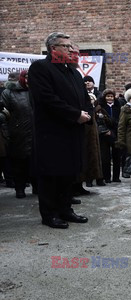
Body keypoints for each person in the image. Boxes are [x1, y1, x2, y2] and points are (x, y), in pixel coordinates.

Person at [28, 32, 91, 229]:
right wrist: (75, 114)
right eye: (66, 46)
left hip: (73, 131)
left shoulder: (73, 72)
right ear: (53, 48)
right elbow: (47, 99)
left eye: (71, 46)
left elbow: (85, 98)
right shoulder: (40, 68)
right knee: (51, 175)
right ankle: (49, 214)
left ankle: (65, 209)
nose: (71, 50)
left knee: (69, 173)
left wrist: (88, 114)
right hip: (52, 133)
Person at [0, 70, 37, 198]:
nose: (28, 81)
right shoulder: (9, 93)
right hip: (17, 133)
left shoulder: (36, 91)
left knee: (35, 162)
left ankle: (37, 188)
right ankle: (19, 188)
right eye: (25, 78)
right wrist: (7, 131)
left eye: (30, 78)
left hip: (36, 132)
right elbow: (3, 112)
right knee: (18, 163)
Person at [98, 89, 122, 182]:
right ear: (104, 97)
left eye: (111, 96)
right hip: (105, 134)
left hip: (116, 133)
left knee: (116, 156)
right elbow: (100, 121)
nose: (110, 98)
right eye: (108, 96)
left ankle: (116, 177)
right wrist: (105, 130)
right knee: (105, 157)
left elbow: (120, 120)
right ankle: (106, 177)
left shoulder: (118, 106)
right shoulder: (101, 107)